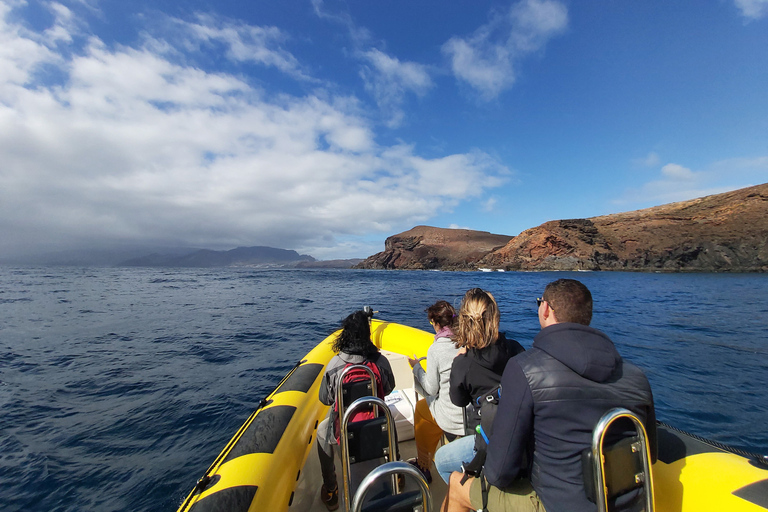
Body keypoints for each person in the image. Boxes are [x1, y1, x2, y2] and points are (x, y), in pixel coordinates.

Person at [441, 279, 657, 512]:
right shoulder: (637, 378)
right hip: (625, 503)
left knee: (456, 483)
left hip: (553, 503)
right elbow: (649, 456)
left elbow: (498, 473)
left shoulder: (526, 369)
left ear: (545, 309)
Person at [433, 288, 525, 484]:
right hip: (519, 437)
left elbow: (459, 400)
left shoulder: (463, 363)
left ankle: (472, 496)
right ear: (495, 318)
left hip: (486, 441)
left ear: (464, 322)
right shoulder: (516, 349)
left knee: (441, 460)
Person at [316, 310, 396, 511]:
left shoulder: (334, 365)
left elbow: (325, 399)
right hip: (376, 424)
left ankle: (331, 488)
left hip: (345, 429)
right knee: (390, 422)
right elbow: (389, 387)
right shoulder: (380, 361)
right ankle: (398, 474)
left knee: (321, 433)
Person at [406, 300, 465, 483]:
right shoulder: (465, 341)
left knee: (421, 409)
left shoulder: (436, 349)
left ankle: (424, 465)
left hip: (452, 416)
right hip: (468, 414)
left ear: (436, 323)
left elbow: (431, 388)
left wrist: (416, 368)